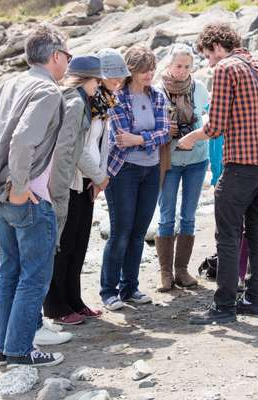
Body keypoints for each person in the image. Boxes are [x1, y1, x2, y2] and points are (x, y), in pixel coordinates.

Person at [0, 24, 72, 367]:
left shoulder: (8, 85)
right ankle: (20, 352)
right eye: (67, 55)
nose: (68, 62)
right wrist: (20, 188)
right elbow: (24, 140)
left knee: (10, 274)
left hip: (0, 198)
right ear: (55, 56)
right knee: (34, 277)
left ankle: (7, 348)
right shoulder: (47, 91)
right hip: (26, 199)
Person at [178, 23, 258, 324]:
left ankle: (224, 306)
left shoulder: (226, 69)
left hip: (239, 165)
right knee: (256, 232)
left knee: (227, 235)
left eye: (208, 56)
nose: (209, 63)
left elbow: (215, 127)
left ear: (216, 47)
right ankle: (254, 299)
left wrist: (190, 138)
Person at [100, 45, 171, 311]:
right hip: (123, 171)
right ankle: (109, 290)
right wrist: (148, 138)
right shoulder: (116, 97)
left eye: (152, 68)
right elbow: (121, 138)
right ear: (131, 71)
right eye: (143, 70)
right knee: (121, 232)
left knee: (139, 232)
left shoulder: (158, 96)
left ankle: (130, 287)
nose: (149, 74)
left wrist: (140, 139)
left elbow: (165, 133)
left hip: (151, 170)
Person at [43, 55, 107, 325]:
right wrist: (100, 175)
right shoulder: (75, 100)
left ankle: (75, 301)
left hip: (82, 183)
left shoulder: (83, 99)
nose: (99, 85)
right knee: (65, 246)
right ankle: (57, 307)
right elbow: (73, 147)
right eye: (97, 80)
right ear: (86, 79)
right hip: (68, 183)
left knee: (78, 245)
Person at [155, 43, 210, 292]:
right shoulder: (156, 91)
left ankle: (182, 270)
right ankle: (165, 273)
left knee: (188, 215)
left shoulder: (199, 89)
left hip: (197, 160)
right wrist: (166, 130)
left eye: (187, 66)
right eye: (178, 65)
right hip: (169, 161)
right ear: (169, 64)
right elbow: (149, 126)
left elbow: (208, 119)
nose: (182, 71)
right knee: (166, 216)